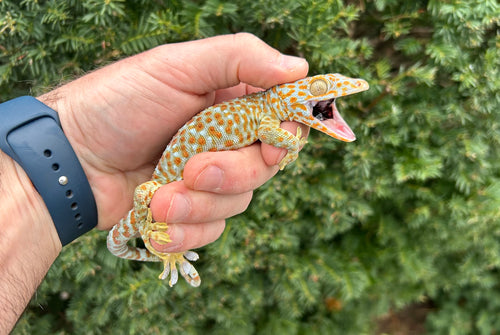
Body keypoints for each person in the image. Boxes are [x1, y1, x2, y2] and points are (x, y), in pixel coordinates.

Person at [0, 33, 310, 332]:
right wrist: (291, 144)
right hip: (151, 187)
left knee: (175, 204)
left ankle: (155, 244)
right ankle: (153, 240)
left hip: (140, 182)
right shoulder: (266, 111)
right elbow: (276, 136)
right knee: (160, 206)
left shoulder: (266, 109)